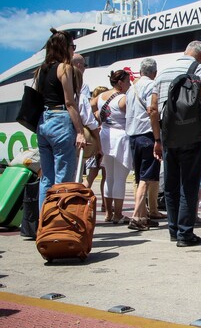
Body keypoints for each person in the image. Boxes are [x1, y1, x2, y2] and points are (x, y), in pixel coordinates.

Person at [150, 41, 201, 247]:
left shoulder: (163, 73)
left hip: (168, 135)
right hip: (191, 134)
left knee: (171, 185)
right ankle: (185, 234)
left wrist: (157, 139)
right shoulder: (199, 69)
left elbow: (153, 109)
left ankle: (173, 231)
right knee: (188, 184)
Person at [36, 28, 87, 210]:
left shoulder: (41, 70)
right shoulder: (64, 68)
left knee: (47, 178)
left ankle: (44, 224)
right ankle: (58, 224)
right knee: (63, 178)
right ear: (65, 47)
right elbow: (69, 102)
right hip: (60, 120)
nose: (73, 50)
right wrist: (80, 131)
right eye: (72, 46)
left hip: (43, 122)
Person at [125, 58, 164, 231]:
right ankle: (136, 216)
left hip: (132, 136)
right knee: (146, 178)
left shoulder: (131, 88)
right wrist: (157, 139)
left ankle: (142, 215)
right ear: (154, 73)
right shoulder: (151, 86)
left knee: (140, 177)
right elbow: (153, 110)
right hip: (147, 135)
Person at [91, 69, 132, 224]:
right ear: (120, 83)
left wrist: (97, 116)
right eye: (128, 81)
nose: (129, 84)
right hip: (120, 137)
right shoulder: (123, 98)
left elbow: (91, 104)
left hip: (105, 136)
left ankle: (109, 213)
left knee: (109, 177)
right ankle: (118, 214)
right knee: (120, 178)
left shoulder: (101, 96)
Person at [83, 86, 108, 214]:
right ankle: (105, 204)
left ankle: (81, 201)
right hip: (100, 145)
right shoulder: (102, 112)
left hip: (92, 146)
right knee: (105, 176)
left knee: (91, 177)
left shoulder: (91, 112)